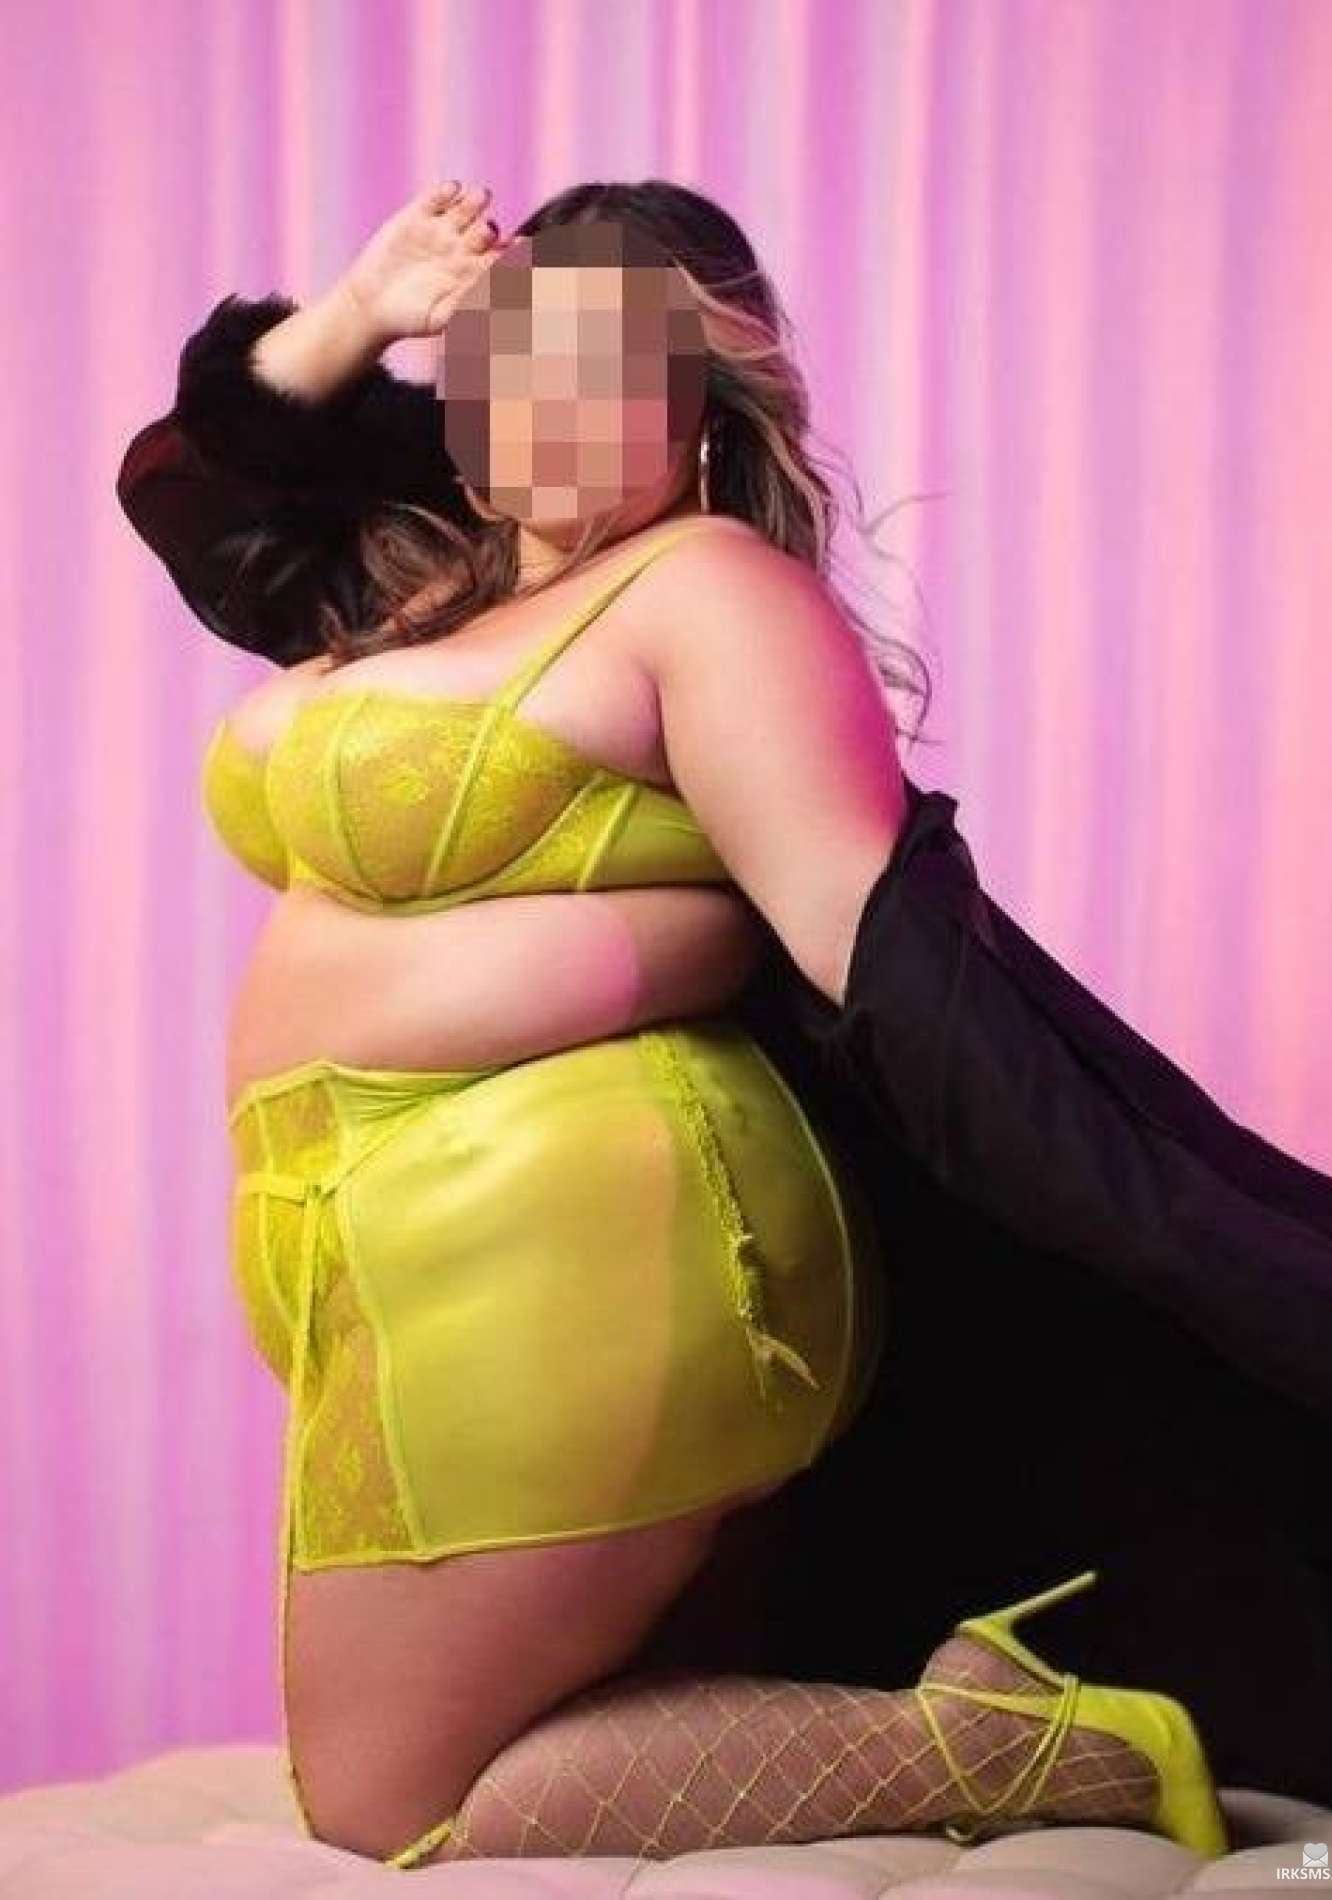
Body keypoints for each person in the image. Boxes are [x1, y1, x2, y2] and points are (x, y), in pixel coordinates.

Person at [113, 178, 1238, 1869]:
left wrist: (1173, 1221)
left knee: (384, 1800)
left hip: (574, 1229)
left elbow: (866, 937)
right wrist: (362, 308)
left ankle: (1044, 1753)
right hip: (372, 1247)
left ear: (695, 399)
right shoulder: (422, 582)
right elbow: (188, 486)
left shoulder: (706, 590)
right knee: (444, 1748)